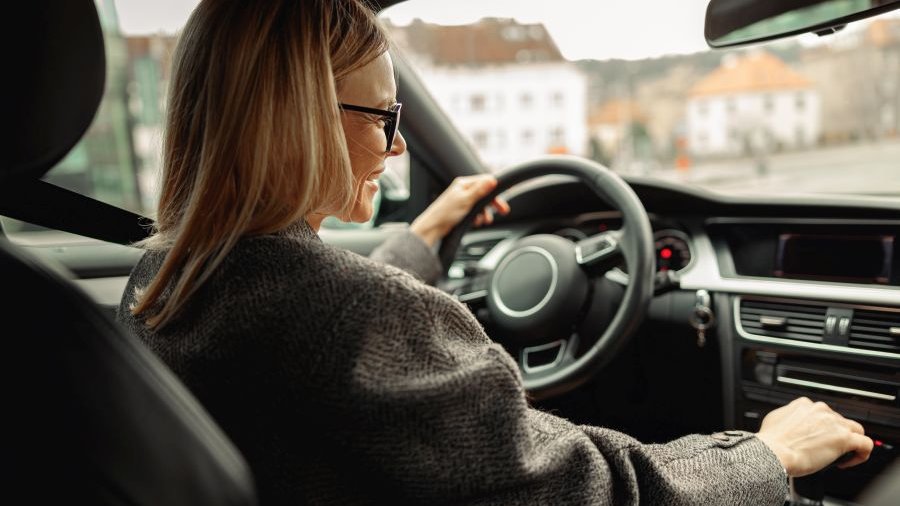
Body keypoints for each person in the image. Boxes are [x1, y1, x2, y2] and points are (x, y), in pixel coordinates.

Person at [117, 1, 872, 504]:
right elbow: (583, 492)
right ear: (300, 117)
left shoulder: (167, 281)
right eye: (382, 116)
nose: (398, 145)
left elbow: (327, 337)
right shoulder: (355, 314)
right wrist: (765, 454)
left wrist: (423, 241)